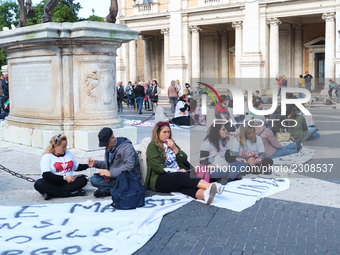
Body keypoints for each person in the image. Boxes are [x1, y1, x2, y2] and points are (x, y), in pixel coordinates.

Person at [145, 122, 223, 205]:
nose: (167, 135)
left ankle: (204, 195)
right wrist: (176, 171)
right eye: (164, 132)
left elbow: (184, 158)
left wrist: (174, 148)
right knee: (181, 177)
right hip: (159, 179)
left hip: (175, 177)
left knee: (184, 186)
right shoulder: (152, 146)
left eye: (168, 132)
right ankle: (211, 187)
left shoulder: (171, 143)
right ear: (157, 133)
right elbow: (158, 167)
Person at [88, 127, 140, 198]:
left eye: (107, 144)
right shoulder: (109, 147)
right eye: (104, 145)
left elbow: (130, 166)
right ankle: (114, 190)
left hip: (127, 180)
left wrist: (111, 173)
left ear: (112, 137)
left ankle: (112, 190)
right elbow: (109, 164)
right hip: (114, 179)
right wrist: (96, 163)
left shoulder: (127, 147)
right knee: (94, 179)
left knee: (123, 192)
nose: (106, 146)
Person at [34, 134, 88, 200]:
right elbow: (46, 175)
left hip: (68, 182)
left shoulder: (69, 153)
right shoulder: (47, 157)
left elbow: (75, 167)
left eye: (66, 146)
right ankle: (70, 193)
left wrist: (88, 165)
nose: (66, 149)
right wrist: (64, 178)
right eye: (63, 147)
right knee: (39, 183)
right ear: (55, 146)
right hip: (54, 181)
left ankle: (51, 193)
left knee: (83, 180)